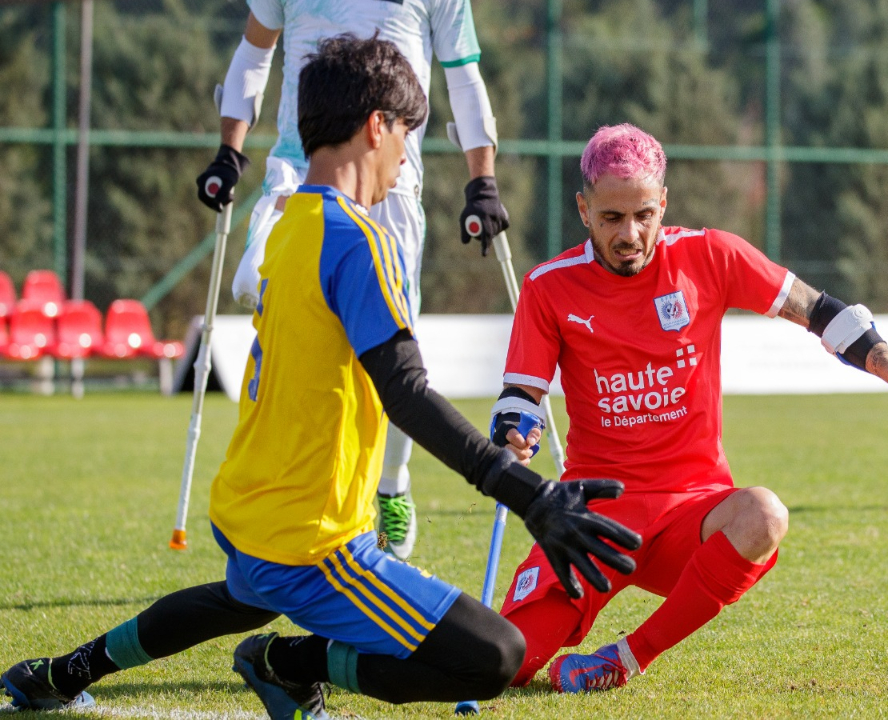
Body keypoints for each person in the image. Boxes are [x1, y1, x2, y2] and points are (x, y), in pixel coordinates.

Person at [3, 36, 639, 719]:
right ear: (377, 126)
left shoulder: (289, 223)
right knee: (493, 656)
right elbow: (406, 391)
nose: (405, 155)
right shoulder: (361, 239)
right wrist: (527, 494)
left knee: (238, 597)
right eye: (406, 134)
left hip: (255, 505)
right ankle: (288, 662)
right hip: (315, 541)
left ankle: (63, 672)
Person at [485, 124, 888, 693]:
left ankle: (625, 659)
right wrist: (515, 426)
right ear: (583, 210)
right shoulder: (548, 286)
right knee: (500, 663)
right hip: (595, 515)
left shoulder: (710, 255)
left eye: (643, 215)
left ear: (664, 204)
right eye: (611, 218)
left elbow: (823, 312)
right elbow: (521, 395)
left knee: (765, 515)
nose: (629, 234)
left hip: (694, 511)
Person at [195, 0, 510, 560]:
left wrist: (482, 181)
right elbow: (253, 50)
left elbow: (463, 76)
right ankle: (275, 480)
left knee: (388, 348)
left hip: (393, 186)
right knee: (256, 291)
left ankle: (390, 485)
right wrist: (229, 150)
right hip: (298, 171)